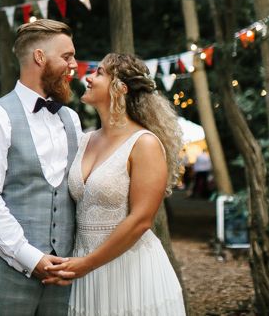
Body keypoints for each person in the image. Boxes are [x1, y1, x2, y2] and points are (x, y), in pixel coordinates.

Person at [44, 53, 186, 315]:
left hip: (132, 272)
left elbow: (141, 220)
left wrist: (87, 263)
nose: (87, 77)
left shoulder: (144, 143)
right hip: (85, 273)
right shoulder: (84, 140)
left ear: (120, 88)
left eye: (98, 73)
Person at [0, 19, 83, 316]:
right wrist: (31, 258)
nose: (74, 65)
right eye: (66, 56)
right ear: (40, 57)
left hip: (63, 279)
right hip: (7, 276)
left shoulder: (72, 119)